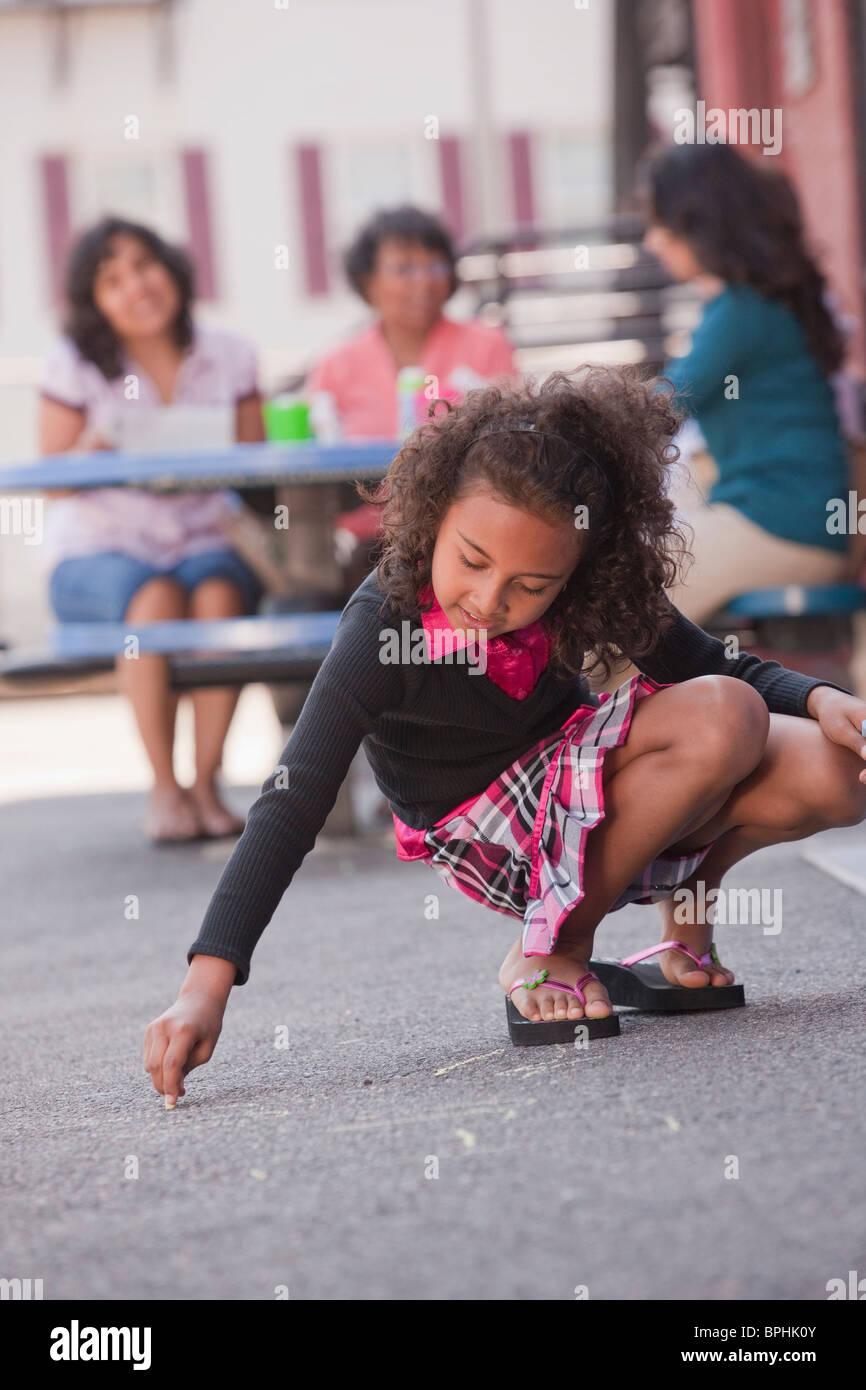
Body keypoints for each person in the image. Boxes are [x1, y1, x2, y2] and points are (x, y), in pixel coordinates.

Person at [143, 367, 866, 1103]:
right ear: (432, 517)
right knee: (723, 717)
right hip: (487, 828)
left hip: (582, 780)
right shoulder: (383, 625)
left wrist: (820, 700)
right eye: (473, 562)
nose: (490, 601)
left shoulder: (589, 581)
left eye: (531, 586)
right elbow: (292, 801)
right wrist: (207, 983)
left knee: (841, 774)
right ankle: (551, 946)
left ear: (580, 562)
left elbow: (707, 661)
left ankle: (686, 912)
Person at [40, 216, 266, 844]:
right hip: (98, 549)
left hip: (202, 538)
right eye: (112, 280)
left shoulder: (230, 354)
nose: (136, 286)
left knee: (218, 595)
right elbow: (53, 481)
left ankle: (206, 783)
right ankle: (164, 788)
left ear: (172, 268)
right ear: (95, 302)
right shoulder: (73, 365)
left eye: (144, 265)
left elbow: (257, 468)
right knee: (153, 600)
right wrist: (100, 446)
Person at [641, 141, 852, 622]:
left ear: (700, 222)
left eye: (661, 223)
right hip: (790, 522)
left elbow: (660, 408)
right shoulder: (755, 302)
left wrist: (576, 420)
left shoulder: (742, 310)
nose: (653, 241)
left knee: (617, 611)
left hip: (778, 525)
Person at [305, 204, 517, 579]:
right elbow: (316, 461)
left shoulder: (487, 345)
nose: (425, 281)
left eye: (436, 265)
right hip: (370, 546)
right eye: (405, 268)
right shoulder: (336, 365)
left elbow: (516, 444)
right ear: (368, 281)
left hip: (469, 538)